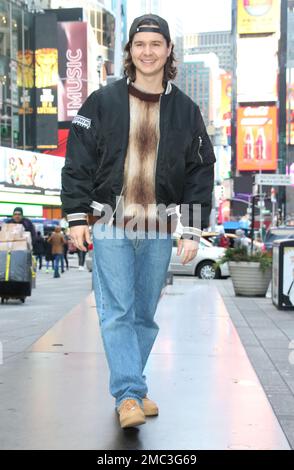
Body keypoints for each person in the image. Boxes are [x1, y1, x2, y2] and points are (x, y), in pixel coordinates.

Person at [61, 14, 215, 429]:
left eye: (155, 44)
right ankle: (129, 394)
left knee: (144, 314)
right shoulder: (101, 101)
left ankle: (134, 387)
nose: (147, 52)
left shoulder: (185, 110)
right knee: (117, 311)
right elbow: (77, 161)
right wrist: (77, 216)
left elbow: (202, 170)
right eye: (139, 44)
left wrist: (194, 228)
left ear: (168, 51)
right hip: (110, 222)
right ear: (129, 51)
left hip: (160, 227)